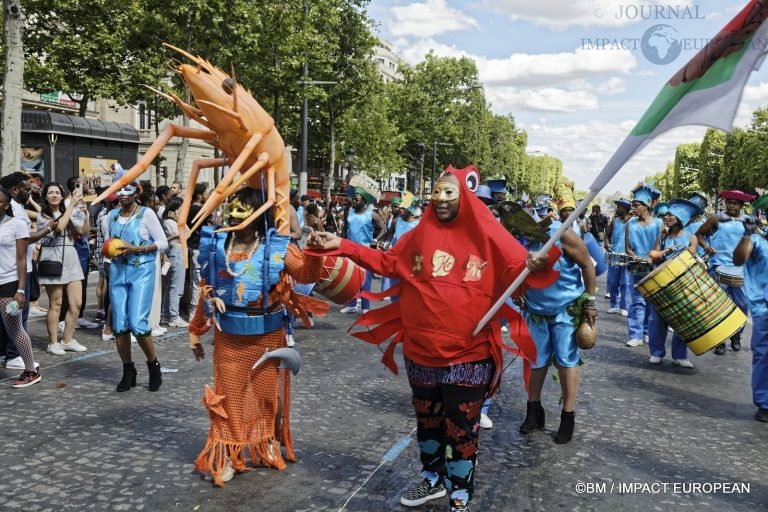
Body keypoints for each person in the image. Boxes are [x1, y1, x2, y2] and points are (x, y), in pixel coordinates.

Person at [306, 165, 558, 512]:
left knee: (462, 427)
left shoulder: (488, 232)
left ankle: (460, 489)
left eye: (448, 193)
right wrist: (342, 245)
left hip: (469, 355)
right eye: (436, 192)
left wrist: (535, 264)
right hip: (420, 353)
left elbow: (516, 271)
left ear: (464, 197)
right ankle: (432, 479)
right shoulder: (419, 233)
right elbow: (388, 262)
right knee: (428, 422)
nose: (439, 198)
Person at [188, 187, 327, 486]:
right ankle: (230, 453)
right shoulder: (216, 244)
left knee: (265, 396)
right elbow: (206, 286)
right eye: (233, 208)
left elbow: (305, 275)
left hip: (267, 335)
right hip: (229, 337)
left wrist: (315, 250)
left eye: (245, 209)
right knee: (229, 397)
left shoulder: (276, 246)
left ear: (258, 214)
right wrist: (196, 330)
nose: (237, 215)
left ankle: (267, 440)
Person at [518, 181, 597, 444]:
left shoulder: (566, 236)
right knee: (536, 360)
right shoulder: (525, 238)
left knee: (566, 360)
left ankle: (568, 416)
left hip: (565, 310)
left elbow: (588, 266)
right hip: (536, 310)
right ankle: (533, 410)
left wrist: (590, 302)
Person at [108, 181, 168, 392]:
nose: (122, 194)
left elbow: (163, 242)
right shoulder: (111, 216)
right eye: (119, 191)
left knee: (137, 323)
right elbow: (109, 242)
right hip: (117, 273)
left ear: (136, 193)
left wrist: (139, 249)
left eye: (127, 191)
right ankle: (128, 370)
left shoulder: (147, 214)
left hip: (141, 273)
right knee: (119, 326)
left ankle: (153, 365)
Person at [0, 172, 52, 368]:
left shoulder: (15, 211)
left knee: (14, 322)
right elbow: (25, 239)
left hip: (14, 277)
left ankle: (18, 360)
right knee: (13, 322)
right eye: (27, 189)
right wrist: (47, 229)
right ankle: (12, 355)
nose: (30, 194)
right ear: (14, 190)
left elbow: (22, 249)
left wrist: (20, 289)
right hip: (10, 275)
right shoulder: (10, 207)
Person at [696, 190, 755, 355]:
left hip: (741, 269)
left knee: (742, 305)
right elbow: (699, 234)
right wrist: (707, 247)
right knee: (718, 305)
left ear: (742, 205)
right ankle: (719, 340)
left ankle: (736, 335)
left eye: (735, 203)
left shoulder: (748, 220)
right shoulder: (716, 218)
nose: (731, 206)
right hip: (718, 266)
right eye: (729, 202)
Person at [646, 199, 699, 368]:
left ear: (680, 218)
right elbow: (652, 255)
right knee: (657, 320)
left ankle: (680, 355)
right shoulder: (662, 236)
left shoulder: (691, 237)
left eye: (670, 215)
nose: (666, 217)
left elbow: (692, 255)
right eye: (665, 215)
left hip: (684, 284)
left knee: (683, 320)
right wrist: (666, 251)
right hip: (662, 283)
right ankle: (656, 352)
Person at [37, 182, 89, 356]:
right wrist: (71, 206)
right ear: (45, 196)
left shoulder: (68, 211)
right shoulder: (43, 215)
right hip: (53, 258)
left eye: (57, 192)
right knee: (56, 303)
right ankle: (53, 343)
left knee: (76, 304)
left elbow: (82, 232)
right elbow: (59, 227)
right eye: (50, 192)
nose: (54, 195)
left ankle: (67, 339)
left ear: (61, 195)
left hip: (71, 258)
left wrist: (85, 215)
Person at [0, 188, 41, 387]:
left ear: (7, 205)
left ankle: (31, 370)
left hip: (9, 282)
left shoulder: (16, 224)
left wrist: (21, 290)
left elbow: (21, 259)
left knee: (14, 328)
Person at [733, 198, 768, 421]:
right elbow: (738, 259)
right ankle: (765, 403)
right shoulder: (756, 240)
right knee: (764, 355)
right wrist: (746, 235)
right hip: (763, 309)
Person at [624, 184, 662, 348]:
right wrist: (635, 257)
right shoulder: (630, 224)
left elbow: (658, 246)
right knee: (637, 301)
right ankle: (635, 334)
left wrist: (651, 258)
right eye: (633, 205)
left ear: (646, 206)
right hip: (636, 266)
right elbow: (627, 248)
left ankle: (647, 332)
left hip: (653, 267)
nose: (634, 208)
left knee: (651, 302)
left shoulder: (659, 223)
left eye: (636, 205)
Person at [338, 188, 384, 314]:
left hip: (365, 251)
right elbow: (345, 229)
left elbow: (383, 229)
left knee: (365, 280)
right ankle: (352, 304)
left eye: (356, 200)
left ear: (363, 201)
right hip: (350, 250)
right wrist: (342, 243)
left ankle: (365, 307)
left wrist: (375, 240)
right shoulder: (349, 212)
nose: (353, 201)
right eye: (353, 199)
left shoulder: (372, 214)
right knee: (350, 278)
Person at [161, 197, 187, 327]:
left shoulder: (171, 221)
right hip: (176, 251)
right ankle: (173, 316)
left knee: (171, 285)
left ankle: (167, 314)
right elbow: (185, 234)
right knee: (176, 285)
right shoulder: (170, 222)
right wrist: (179, 220)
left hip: (176, 252)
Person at [604, 198, 632, 316]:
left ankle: (624, 307)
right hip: (614, 254)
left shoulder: (634, 222)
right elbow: (607, 235)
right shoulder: (614, 221)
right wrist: (606, 242)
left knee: (625, 282)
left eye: (619, 207)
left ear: (624, 208)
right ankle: (614, 305)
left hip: (628, 256)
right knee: (613, 281)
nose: (617, 209)